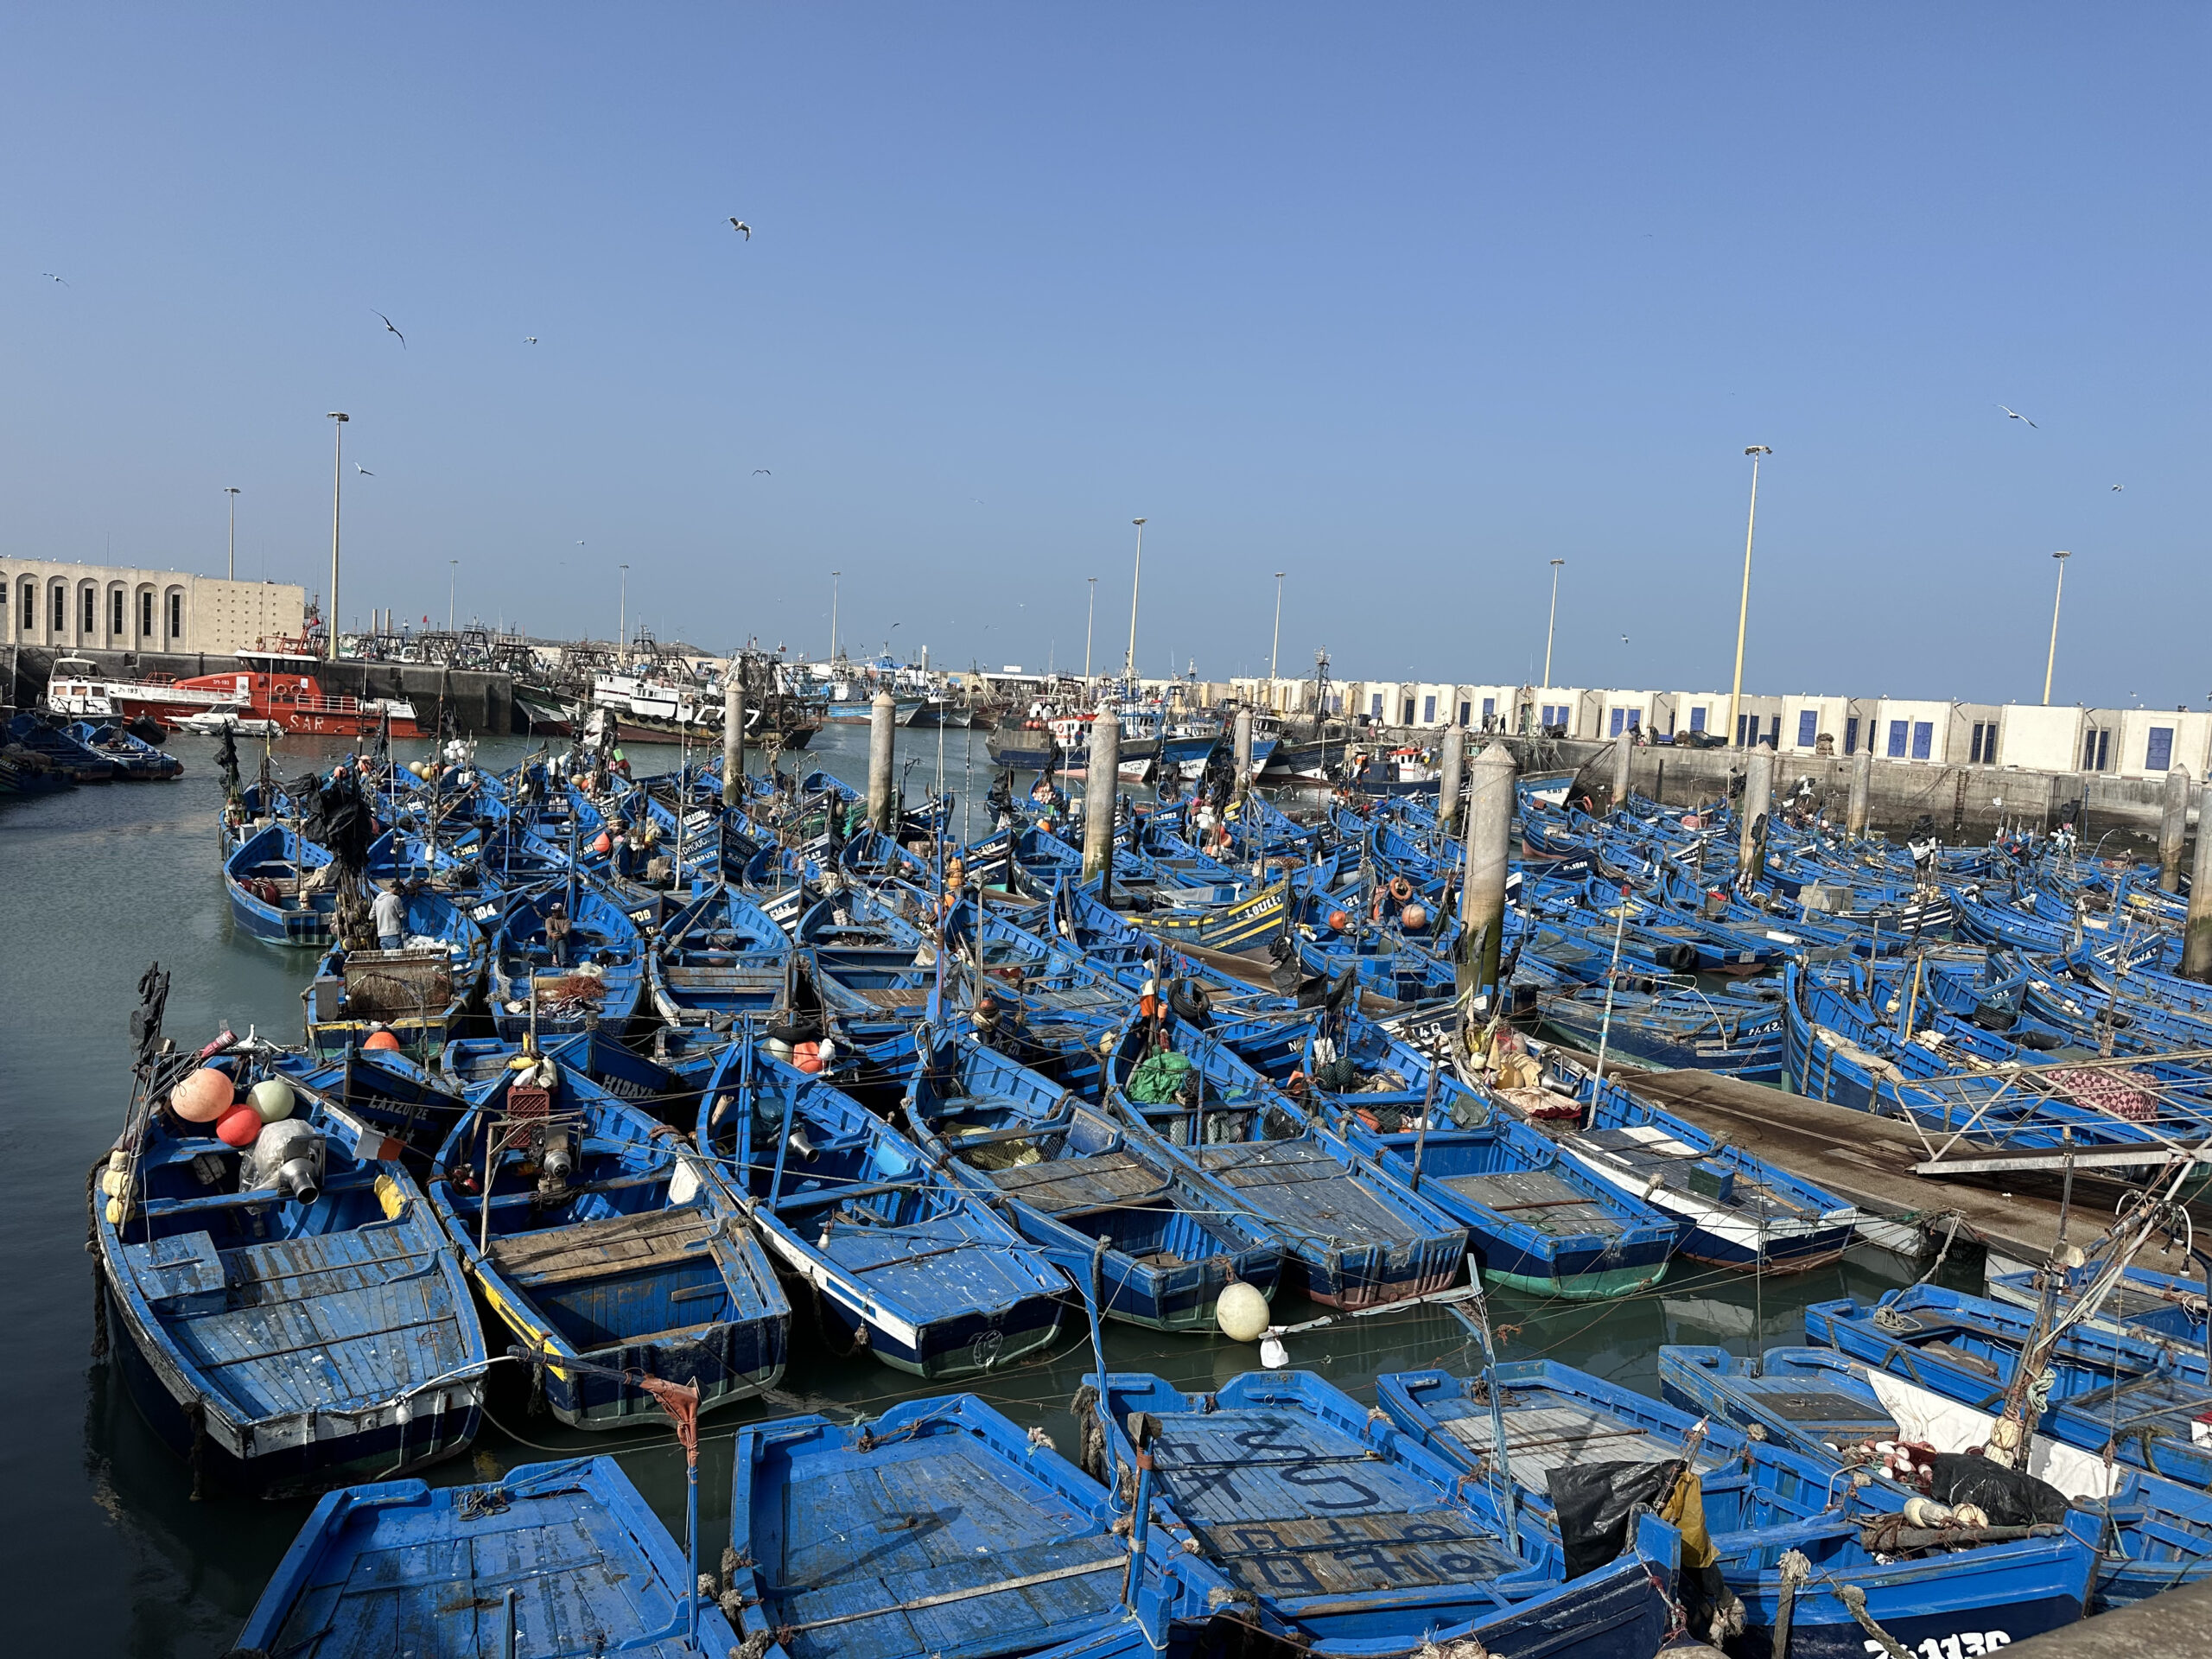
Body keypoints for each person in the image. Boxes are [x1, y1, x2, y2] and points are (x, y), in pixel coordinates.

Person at [370, 880, 405, 951]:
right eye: (400, 892)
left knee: (386, 958)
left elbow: (370, 917)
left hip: (382, 934)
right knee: (397, 957)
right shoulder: (395, 899)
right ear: (396, 890)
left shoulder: (377, 900)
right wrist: (405, 913)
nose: (400, 894)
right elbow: (402, 915)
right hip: (393, 933)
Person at [545, 899, 574, 968]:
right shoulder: (549, 920)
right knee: (555, 933)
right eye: (552, 912)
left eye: (555, 912)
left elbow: (565, 933)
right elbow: (549, 931)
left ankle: (557, 960)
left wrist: (559, 934)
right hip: (551, 942)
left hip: (563, 941)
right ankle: (558, 959)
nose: (553, 913)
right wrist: (553, 934)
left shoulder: (567, 921)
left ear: (560, 911)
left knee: (561, 941)